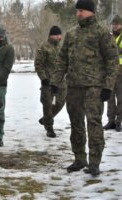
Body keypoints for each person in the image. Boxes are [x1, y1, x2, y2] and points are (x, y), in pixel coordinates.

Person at [52, 0, 119, 176]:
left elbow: (112, 61)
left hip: (94, 87)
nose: (78, 14)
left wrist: (108, 86)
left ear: (91, 12)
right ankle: (79, 158)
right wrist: (55, 82)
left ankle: (94, 162)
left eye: (81, 10)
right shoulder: (71, 34)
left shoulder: (102, 33)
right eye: (77, 11)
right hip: (74, 86)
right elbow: (62, 60)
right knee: (76, 124)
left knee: (94, 124)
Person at [35, 26, 67, 138]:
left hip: (61, 82)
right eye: (57, 35)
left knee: (60, 103)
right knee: (48, 105)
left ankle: (45, 119)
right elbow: (39, 65)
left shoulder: (61, 48)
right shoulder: (44, 48)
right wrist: (43, 78)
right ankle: (49, 128)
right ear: (51, 35)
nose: (59, 37)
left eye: (60, 35)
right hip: (48, 82)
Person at [103, 15, 122, 132]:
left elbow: (114, 51)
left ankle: (119, 122)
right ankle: (111, 121)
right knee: (109, 97)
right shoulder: (109, 36)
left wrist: (113, 50)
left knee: (121, 98)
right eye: (113, 24)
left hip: (121, 72)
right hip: (110, 72)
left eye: (117, 24)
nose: (114, 26)